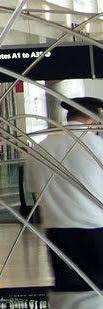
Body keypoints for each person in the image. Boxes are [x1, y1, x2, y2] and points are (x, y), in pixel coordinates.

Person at [24, 96, 103, 292]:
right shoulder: (97, 146)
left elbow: (33, 188)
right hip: (95, 230)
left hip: (58, 232)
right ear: (94, 119)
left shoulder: (41, 147)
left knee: (67, 290)